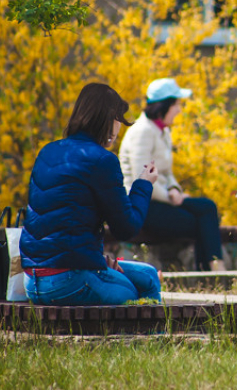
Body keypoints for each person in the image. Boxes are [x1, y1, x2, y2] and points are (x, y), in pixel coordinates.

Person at [21, 83, 162, 305]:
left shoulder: (48, 151)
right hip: (69, 278)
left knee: (148, 274)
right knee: (141, 291)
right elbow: (127, 228)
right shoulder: (102, 160)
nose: (119, 127)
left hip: (31, 280)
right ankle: (151, 337)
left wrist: (97, 259)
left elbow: (62, 220)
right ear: (106, 119)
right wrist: (143, 184)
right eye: (118, 119)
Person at [119, 78, 224, 271]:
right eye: (176, 104)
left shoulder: (162, 131)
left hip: (163, 200)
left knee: (206, 210)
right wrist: (171, 197)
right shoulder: (142, 131)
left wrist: (175, 189)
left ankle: (211, 270)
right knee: (204, 216)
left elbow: (167, 173)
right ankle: (213, 269)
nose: (179, 110)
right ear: (163, 106)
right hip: (144, 206)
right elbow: (140, 179)